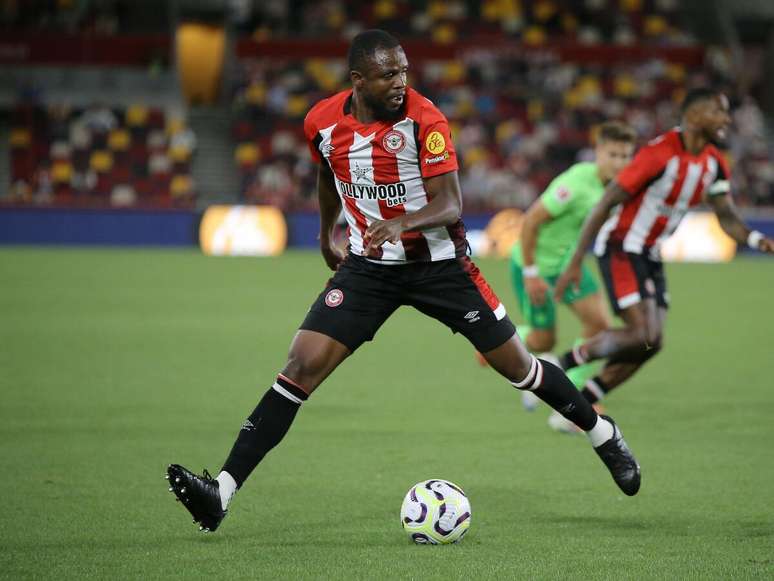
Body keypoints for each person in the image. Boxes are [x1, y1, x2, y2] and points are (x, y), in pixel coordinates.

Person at [165, 30, 641, 533]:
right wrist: (329, 228)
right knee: (300, 365)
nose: (400, 82)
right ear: (358, 80)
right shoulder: (322, 122)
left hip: (441, 269)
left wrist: (401, 223)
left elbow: (451, 203)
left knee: (519, 366)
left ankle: (602, 433)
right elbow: (328, 172)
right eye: (389, 74)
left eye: (404, 72)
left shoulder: (425, 119)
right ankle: (221, 491)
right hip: (369, 270)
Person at [554, 88, 774, 415]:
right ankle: (559, 366)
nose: (726, 119)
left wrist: (758, 241)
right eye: (719, 112)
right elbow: (605, 203)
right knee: (642, 332)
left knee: (651, 343)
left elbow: (727, 218)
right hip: (621, 246)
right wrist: (574, 263)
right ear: (695, 116)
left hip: (650, 253)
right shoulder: (659, 154)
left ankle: (583, 401)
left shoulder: (713, 163)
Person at [510, 122, 636, 430]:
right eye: (613, 154)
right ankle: (497, 341)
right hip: (535, 267)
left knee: (600, 326)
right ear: (598, 152)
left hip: (569, 267)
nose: (619, 163)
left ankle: (575, 392)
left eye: (625, 156)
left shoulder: (616, 187)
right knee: (544, 339)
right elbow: (530, 222)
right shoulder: (576, 183)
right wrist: (531, 273)